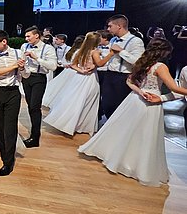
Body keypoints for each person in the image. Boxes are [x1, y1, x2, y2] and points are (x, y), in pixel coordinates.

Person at [78, 39, 187, 186]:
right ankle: (136, 164)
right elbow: (174, 88)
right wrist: (159, 97)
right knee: (145, 135)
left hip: (135, 99)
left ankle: (121, 159)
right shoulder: (160, 67)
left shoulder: (142, 63)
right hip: (151, 103)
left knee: (128, 131)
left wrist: (140, 92)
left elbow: (129, 81)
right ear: (164, 52)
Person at [43, 32, 102, 136]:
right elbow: (100, 63)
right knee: (88, 101)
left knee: (76, 100)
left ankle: (72, 123)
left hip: (78, 77)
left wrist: (81, 70)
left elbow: (73, 65)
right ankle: (81, 125)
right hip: (90, 78)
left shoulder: (80, 51)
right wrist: (110, 54)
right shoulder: (94, 52)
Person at [0, 30, 27, 176]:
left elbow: (26, 75)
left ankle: (8, 162)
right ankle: (4, 154)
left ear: (4, 41)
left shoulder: (18, 54)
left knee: (10, 127)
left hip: (13, 92)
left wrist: (22, 68)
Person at [99, 15, 145, 119]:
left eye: (110, 26)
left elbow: (138, 62)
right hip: (109, 75)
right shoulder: (113, 40)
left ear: (119, 26)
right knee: (106, 104)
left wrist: (121, 51)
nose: (108, 29)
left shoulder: (135, 41)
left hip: (123, 77)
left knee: (119, 106)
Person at [19, 26, 57, 147]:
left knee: (35, 106)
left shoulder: (48, 48)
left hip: (39, 78)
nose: (26, 39)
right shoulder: (24, 46)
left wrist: (37, 58)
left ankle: (35, 137)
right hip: (26, 77)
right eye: (25, 36)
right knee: (30, 106)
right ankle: (33, 134)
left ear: (36, 36)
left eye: (28, 36)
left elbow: (53, 66)